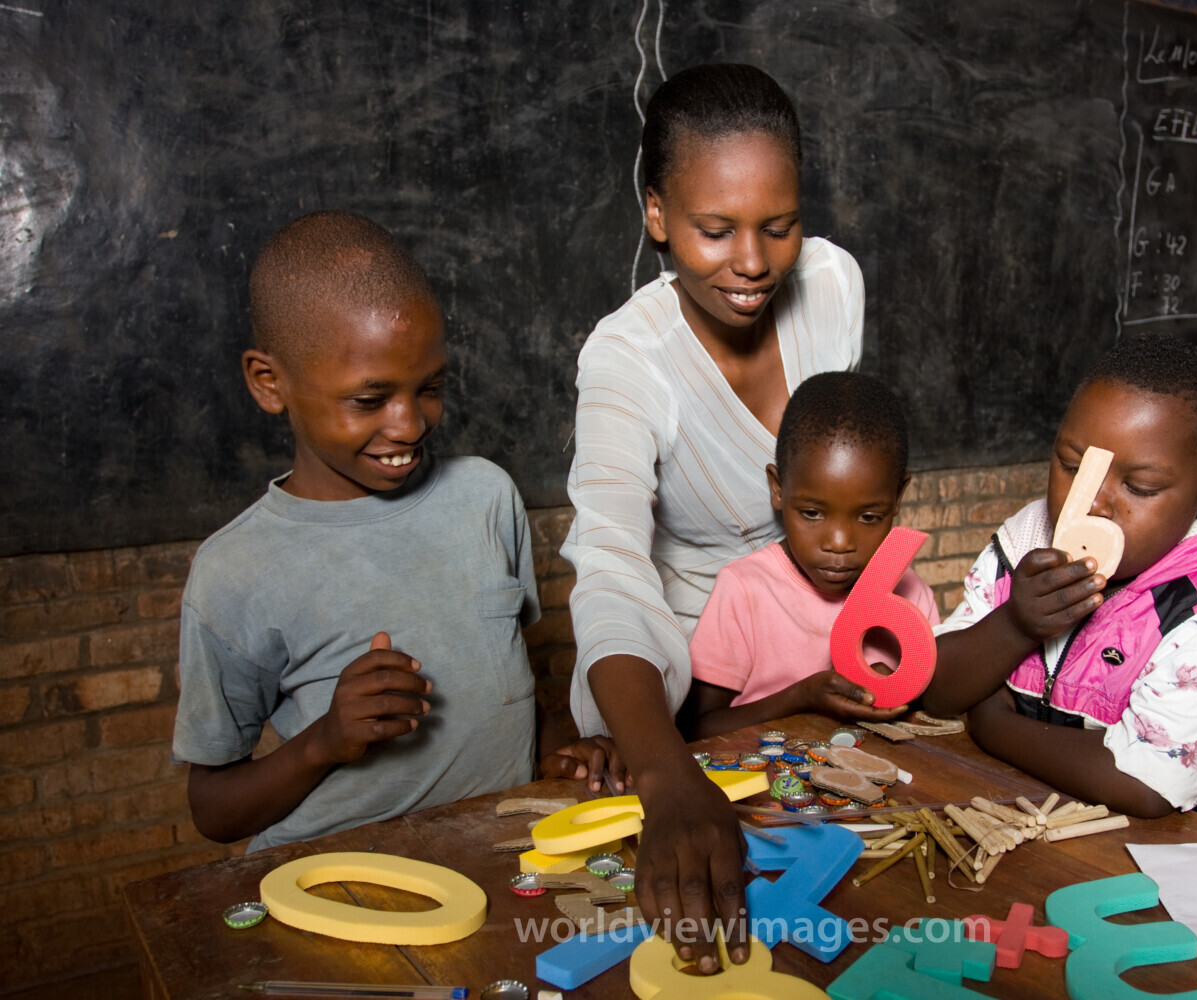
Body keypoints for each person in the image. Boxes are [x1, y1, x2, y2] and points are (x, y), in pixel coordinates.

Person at [174, 211, 618, 852]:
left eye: (429, 387)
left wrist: (559, 755)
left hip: (504, 855)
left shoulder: (485, 496)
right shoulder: (234, 572)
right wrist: (324, 742)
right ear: (270, 383)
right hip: (348, 883)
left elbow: (512, 690)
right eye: (368, 399)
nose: (409, 424)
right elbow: (214, 812)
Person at [561, 64, 863, 970]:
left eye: (779, 226)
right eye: (714, 229)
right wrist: (666, 775)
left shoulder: (835, 286)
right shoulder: (625, 359)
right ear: (656, 215)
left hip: (814, 625)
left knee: (835, 893)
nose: (754, 263)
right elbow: (612, 562)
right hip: (689, 676)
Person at [923, 334, 1197, 818]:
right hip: (998, 807)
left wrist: (993, 721)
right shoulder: (1026, 539)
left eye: (1140, 487)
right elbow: (936, 689)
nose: (1094, 505)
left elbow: (1146, 784)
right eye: (1071, 466)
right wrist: (1016, 625)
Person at [680, 372, 938, 740]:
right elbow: (694, 728)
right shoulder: (745, 590)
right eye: (812, 513)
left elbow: (937, 714)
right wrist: (801, 699)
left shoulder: (911, 594)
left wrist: (896, 696)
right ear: (777, 490)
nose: (838, 542)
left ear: (898, 498)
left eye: (869, 517)